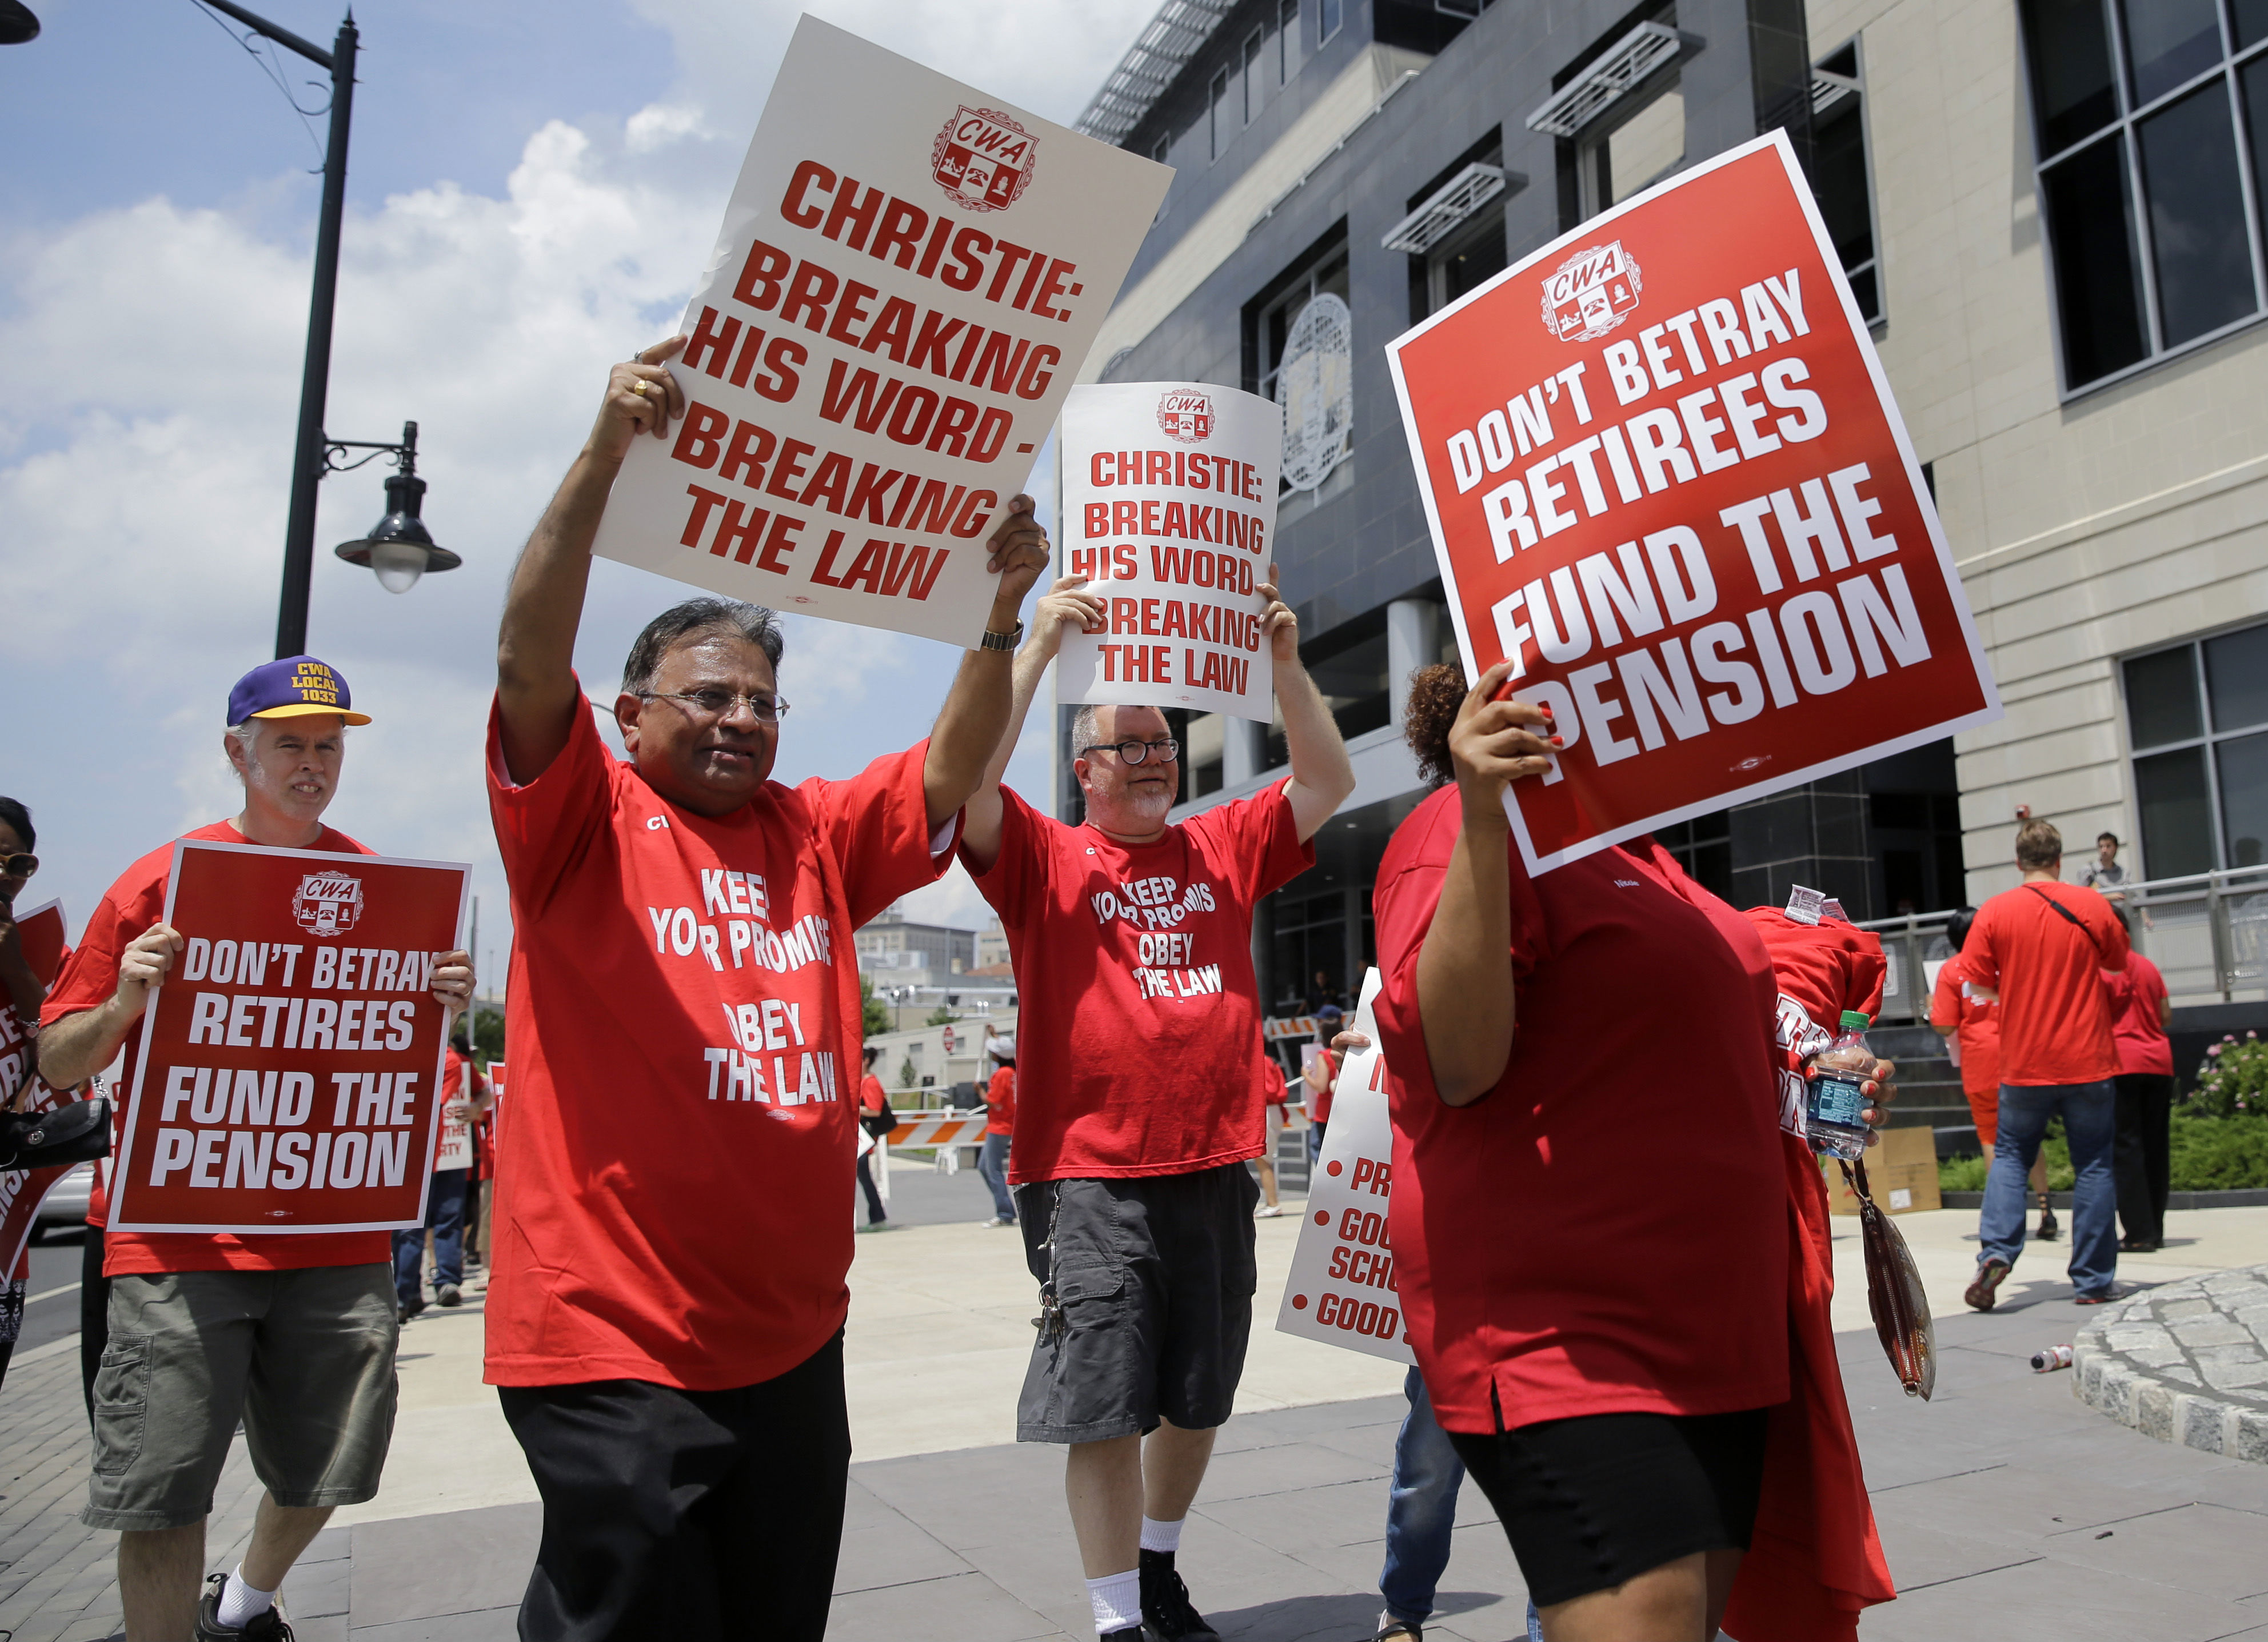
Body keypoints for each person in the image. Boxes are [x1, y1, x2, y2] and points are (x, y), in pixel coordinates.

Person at [483, 339, 1048, 1639]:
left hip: (791, 1342)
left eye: (764, 699)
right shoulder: (577, 819)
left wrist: (998, 611)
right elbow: (525, 648)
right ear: (627, 716)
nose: (741, 717)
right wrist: (602, 455)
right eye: (709, 695)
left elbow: (952, 765)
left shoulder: (812, 830)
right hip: (612, 1347)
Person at [1370, 663, 1895, 1641]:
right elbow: (1457, 1062)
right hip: (1572, 1340)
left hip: (1720, 1342)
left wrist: (1819, 1076)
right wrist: (1485, 818)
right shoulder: (1455, 829)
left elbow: (1670, 1056)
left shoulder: (1644, 855)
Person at [38, 657, 473, 1642]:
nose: (312, 763)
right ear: (238, 752)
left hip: (335, 1230)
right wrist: (124, 1003)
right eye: (289, 743)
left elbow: (399, 1053)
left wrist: (439, 1000)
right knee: (162, 1487)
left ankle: (243, 1601)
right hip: (178, 1238)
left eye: (327, 745)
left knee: (335, 1462)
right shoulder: (159, 880)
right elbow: (60, 1060)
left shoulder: (384, 888)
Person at [958, 572, 1355, 1642]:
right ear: (1081, 768)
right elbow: (968, 783)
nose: (1149, 758)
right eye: (1125, 744)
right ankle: (1115, 1620)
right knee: (1103, 1400)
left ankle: (1159, 1564)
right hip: (1087, 1173)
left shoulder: (1221, 844)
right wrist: (1034, 648)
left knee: (1196, 1396)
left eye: (1160, 741)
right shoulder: (1040, 853)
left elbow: (1327, 776)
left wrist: (1284, 665)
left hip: (1211, 1163)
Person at [1962, 818, 2130, 1311]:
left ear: (2019, 862)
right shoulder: (2091, 904)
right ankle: (2094, 1279)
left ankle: (1996, 1253)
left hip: (2024, 1059)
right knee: (2094, 1164)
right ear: (2059, 859)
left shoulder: (1994, 911)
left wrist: (2014, 989)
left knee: (2011, 1156)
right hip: (2089, 1055)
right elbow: (2118, 962)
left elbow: (1977, 982)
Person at [1930, 908, 2054, 1239]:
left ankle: (2005, 1214)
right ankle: (2046, 1207)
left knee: (1990, 1136)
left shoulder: (1952, 971)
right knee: (2029, 1134)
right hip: (2019, 1057)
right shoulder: (2008, 963)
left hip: (1980, 1062)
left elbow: (1944, 1024)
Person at [394, 1028, 489, 1320]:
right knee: (424, 1223)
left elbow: (482, 1092)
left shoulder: (455, 1062)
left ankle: (415, 1291)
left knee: (423, 1223)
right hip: (428, 1153)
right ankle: (420, 1289)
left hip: (444, 1151)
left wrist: (475, 1108)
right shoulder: (448, 1060)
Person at [2103, 905, 2174, 1253]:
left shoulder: (2103, 971)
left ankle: (2138, 1232)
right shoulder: (2148, 966)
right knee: (2156, 1148)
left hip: (2121, 1065)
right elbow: (2165, 1015)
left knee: (2126, 1150)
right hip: (2159, 1063)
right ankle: (2155, 1228)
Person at [977, 1036, 1017, 1226]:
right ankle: (1005, 1209)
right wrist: (993, 1034)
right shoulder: (1014, 1071)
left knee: (991, 1169)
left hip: (999, 1127)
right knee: (985, 1167)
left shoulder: (1002, 1074)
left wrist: (980, 1092)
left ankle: (1004, 1212)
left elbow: (993, 1101)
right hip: (1009, 1124)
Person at [856, 1046, 893, 1232]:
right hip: (862, 1138)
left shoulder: (870, 1083)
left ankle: (878, 1218)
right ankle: (877, 1217)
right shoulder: (862, 1081)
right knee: (863, 1178)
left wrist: (854, 1108)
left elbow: (875, 1110)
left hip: (865, 1139)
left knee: (864, 1178)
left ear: (866, 1061)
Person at [1304, 1007, 1341, 1164]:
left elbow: (1321, 1087)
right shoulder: (1345, 1053)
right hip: (1339, 1111)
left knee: (1319, 1155)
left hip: (1324, 1113)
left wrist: (1306, 1075)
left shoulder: (1324, 1055)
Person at [1254, 1047, 1287, 1217]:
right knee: (1264, 1159)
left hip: (1266, 1109)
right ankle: (1271, 1202)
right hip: (1271, 1110)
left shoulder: (1263, 1061)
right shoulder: (1269, 1060)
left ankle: (1273, 1203)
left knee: (1263, 1160)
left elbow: (1270, 1089)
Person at [2079, 832, 2129, 898]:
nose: (2104, 850)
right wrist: (2108, 897)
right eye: (2101, 847)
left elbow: (2131, 896)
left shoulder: (2124, 873)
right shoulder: (2089, 871)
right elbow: (2081, 896)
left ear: (2116, 848)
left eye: (2108, 846)